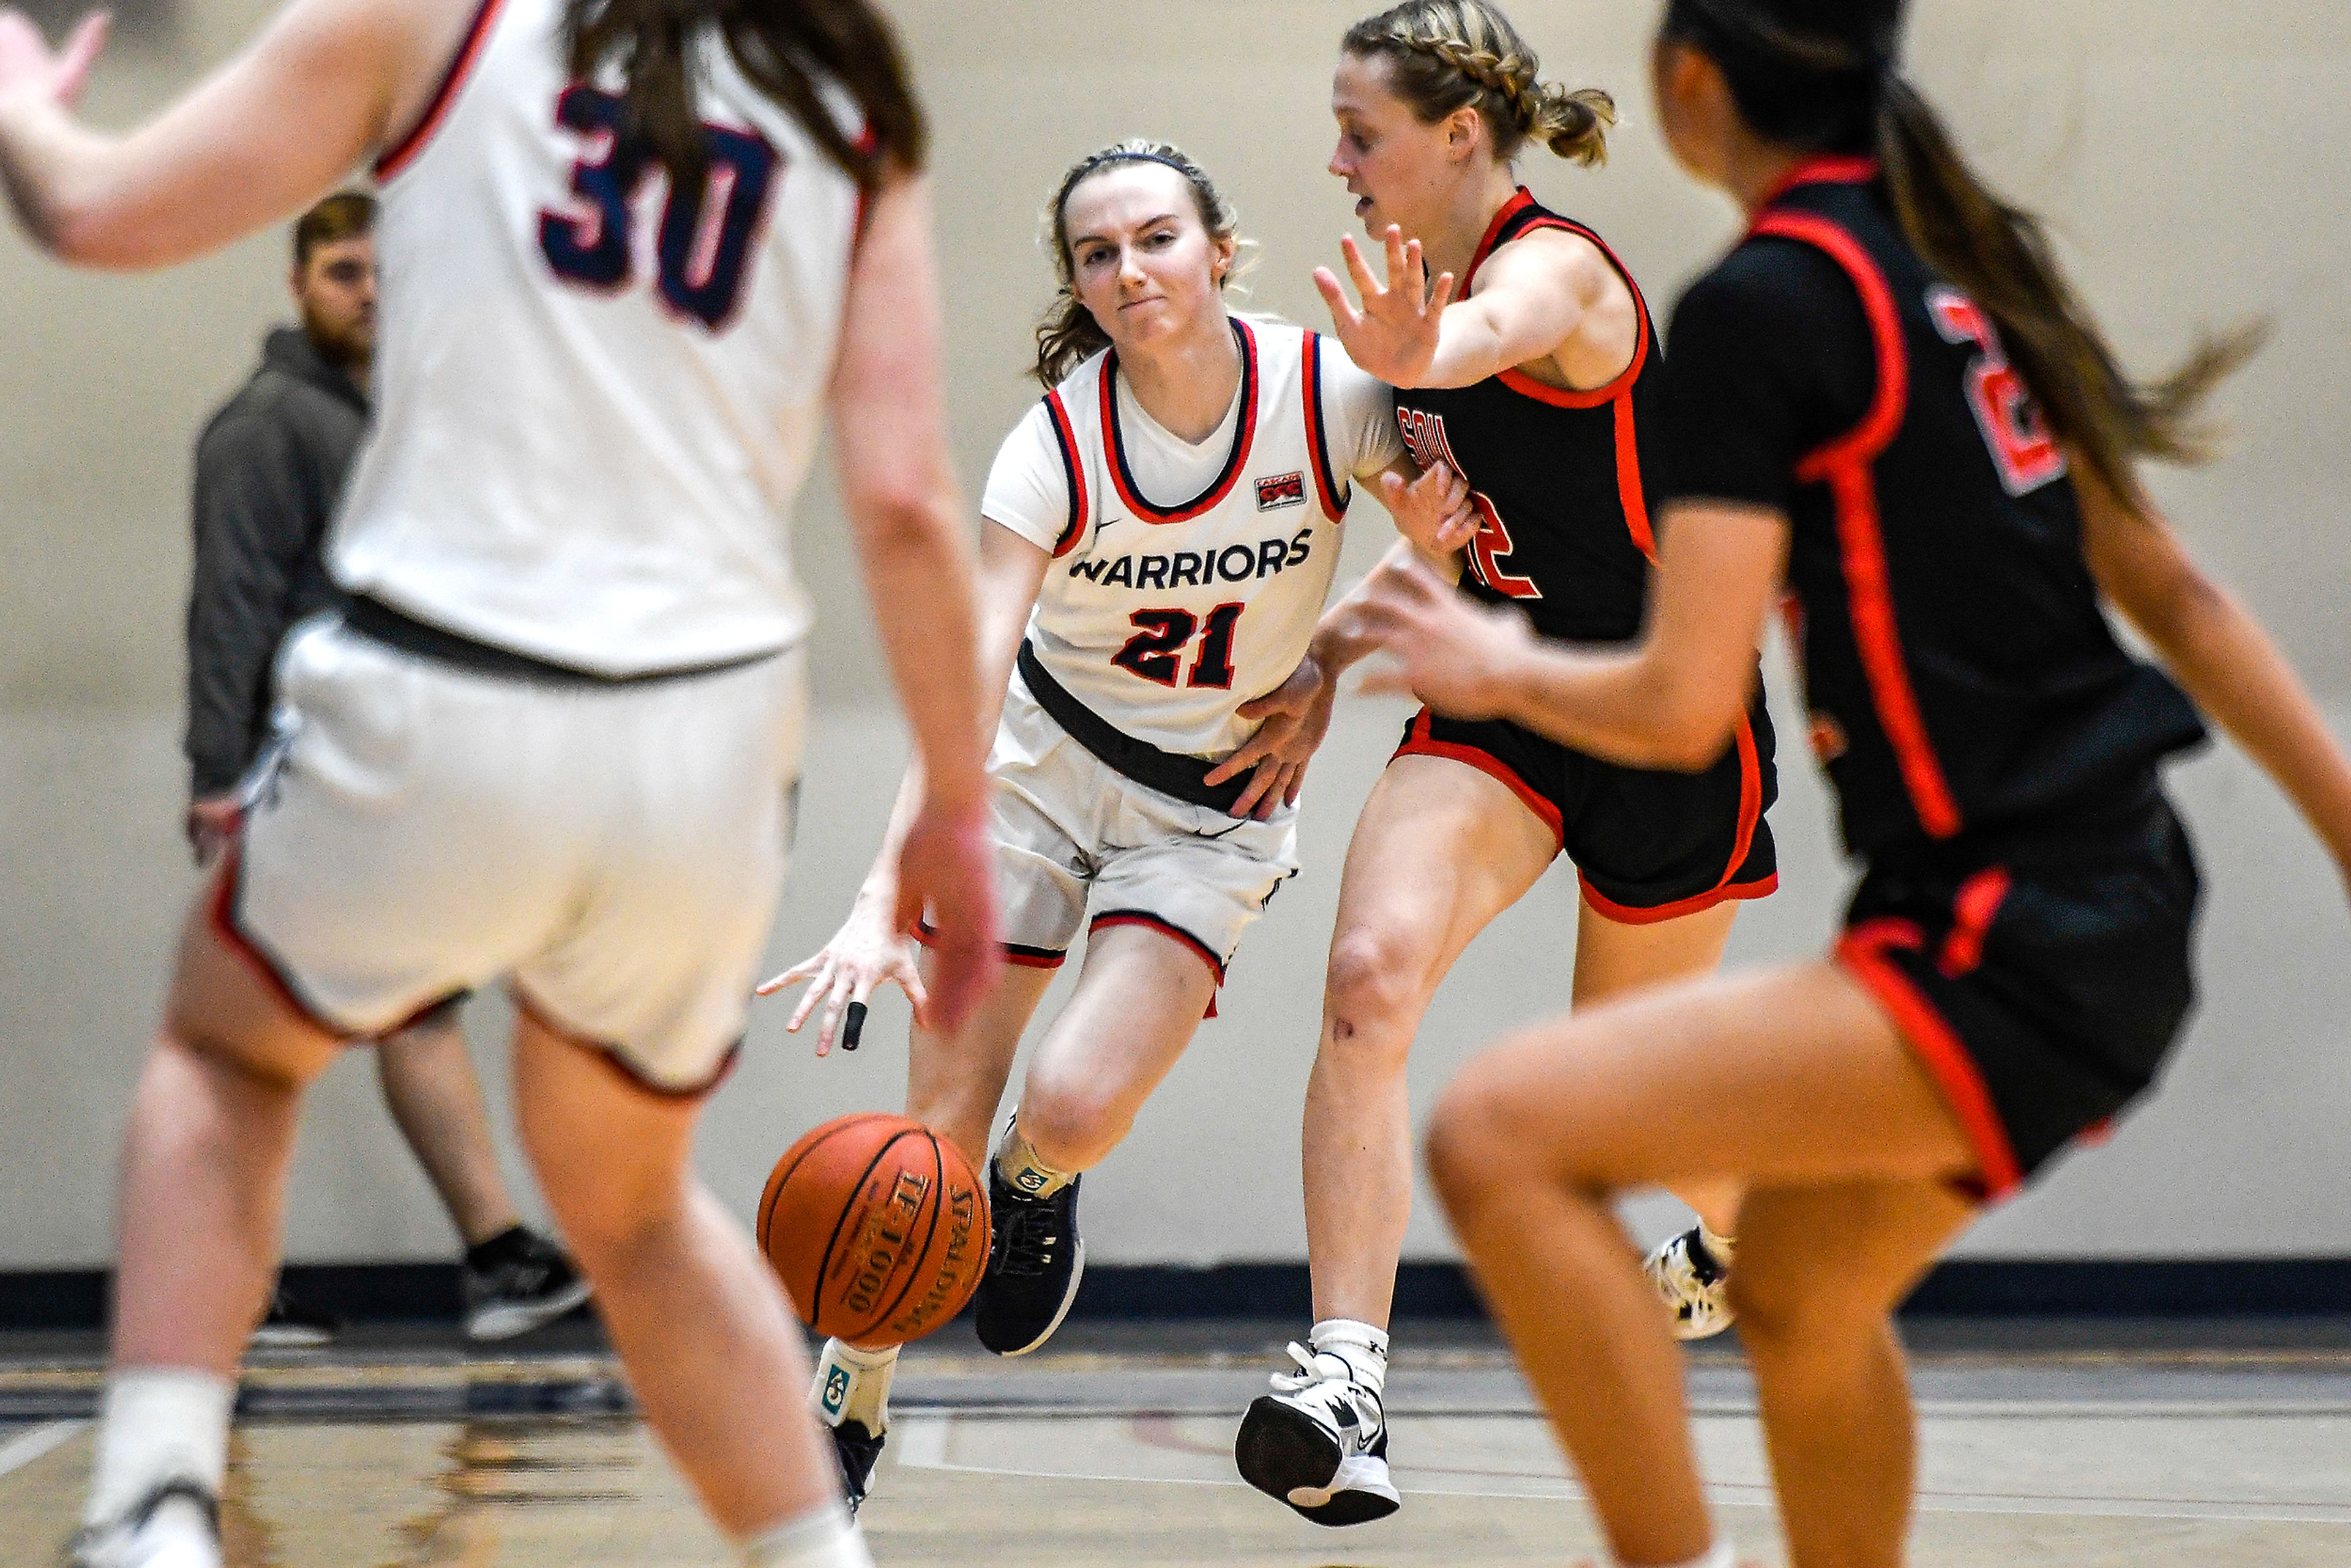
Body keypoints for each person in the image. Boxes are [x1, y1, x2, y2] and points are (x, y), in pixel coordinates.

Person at [1349, 2, 2351, 1566]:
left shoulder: (1763, 306)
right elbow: (2188, 602)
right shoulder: (1953, 275)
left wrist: (1497, 672)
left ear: (1693, 86)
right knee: (1803, 1296)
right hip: (2115, 890)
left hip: (2007, 920)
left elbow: (1684, 706)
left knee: (1494, 1137)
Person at [0, 0, 1002, 1562]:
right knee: (640, 1211)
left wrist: (21, 97)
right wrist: (951, 800)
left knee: (232, 1057)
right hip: (710, 743)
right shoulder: (845, 88)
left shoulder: (440, 17)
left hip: (449, 680)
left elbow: (93, 212)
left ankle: (152, 1504)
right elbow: (905, 498)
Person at [763, 138, 1477, 1514]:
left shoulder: (1327, 392)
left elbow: (1448, 551)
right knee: (928, 1137)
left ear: (1217, 248)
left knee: (1076, 1103)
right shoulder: (1060, 441)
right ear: (1079, 286)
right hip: (1037, 773)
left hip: (1205, 810)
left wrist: (1324, 665)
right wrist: (874, 899)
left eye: (1156, 238)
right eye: (1099, 253)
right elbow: (964, 677)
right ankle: (849, 1399)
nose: (1131, 269)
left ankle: (1038, 1185)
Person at [1228, 0, 1782, 1525]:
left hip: (1662, 711)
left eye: (1363, 133)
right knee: (1367, 975)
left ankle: (1755, 1245)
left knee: (1637, 1120)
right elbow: (1459, 555)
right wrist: (1335, 659)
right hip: (1497, 705)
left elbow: (1498, 332)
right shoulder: (1401, 314)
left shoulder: (1553, 271)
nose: (1336, 160)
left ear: (1459, 136)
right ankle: (1343, 1379)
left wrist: (1435, 346)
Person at [188, 190, 588, 1349]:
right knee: (281, 1028)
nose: (369, 296)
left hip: (393, 769)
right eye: (344, 274)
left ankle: (497, 1257)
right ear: (301, 287)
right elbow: (231, 609)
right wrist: (221, 775)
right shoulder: (266, 424)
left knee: (406, 1003)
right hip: (291, 770)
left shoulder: (406, 418)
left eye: (384, 276)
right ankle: (249, 1279)